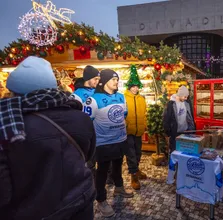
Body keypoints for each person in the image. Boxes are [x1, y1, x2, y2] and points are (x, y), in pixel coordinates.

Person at [0, 56, 96, 220]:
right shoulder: (80, 117)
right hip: (80, 203)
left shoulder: (6, 123)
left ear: (15, 92)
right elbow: (88, 155)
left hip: (31, 212)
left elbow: (4, 192)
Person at [84, 69, 133, 217]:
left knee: (118, 166)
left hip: (120, 139)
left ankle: (119, 187)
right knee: (102, 172)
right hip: (103, 143)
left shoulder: (121, 96)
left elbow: (124, 115)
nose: (116, 82)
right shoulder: (93, 99)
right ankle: (101, 199)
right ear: (104, 82)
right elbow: (86, 121)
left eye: (117, 79)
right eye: (113, 79)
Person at [124, 79, 147, 190]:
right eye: (133, 86)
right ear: (129, 87)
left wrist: (144, 124)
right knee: (131, 154)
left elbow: (144, 113)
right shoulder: (123, 98)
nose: (135, 89)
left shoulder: (141, 99)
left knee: (138, 152)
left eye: (137, 86)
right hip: (128, 131)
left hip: (139, 130)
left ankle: (136, 170)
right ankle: (133, 176)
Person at [163, 85, 196, 154]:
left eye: (187, 96)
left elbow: (191, 116)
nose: (186, 98)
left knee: (185, 152)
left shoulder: (187, 103)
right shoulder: (171, 104)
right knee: (175, 151)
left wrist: (193, 129)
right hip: (175, 133)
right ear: (180, 95)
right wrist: (168, 132)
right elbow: (166, 118)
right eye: (185, 96)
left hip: (186, 132)